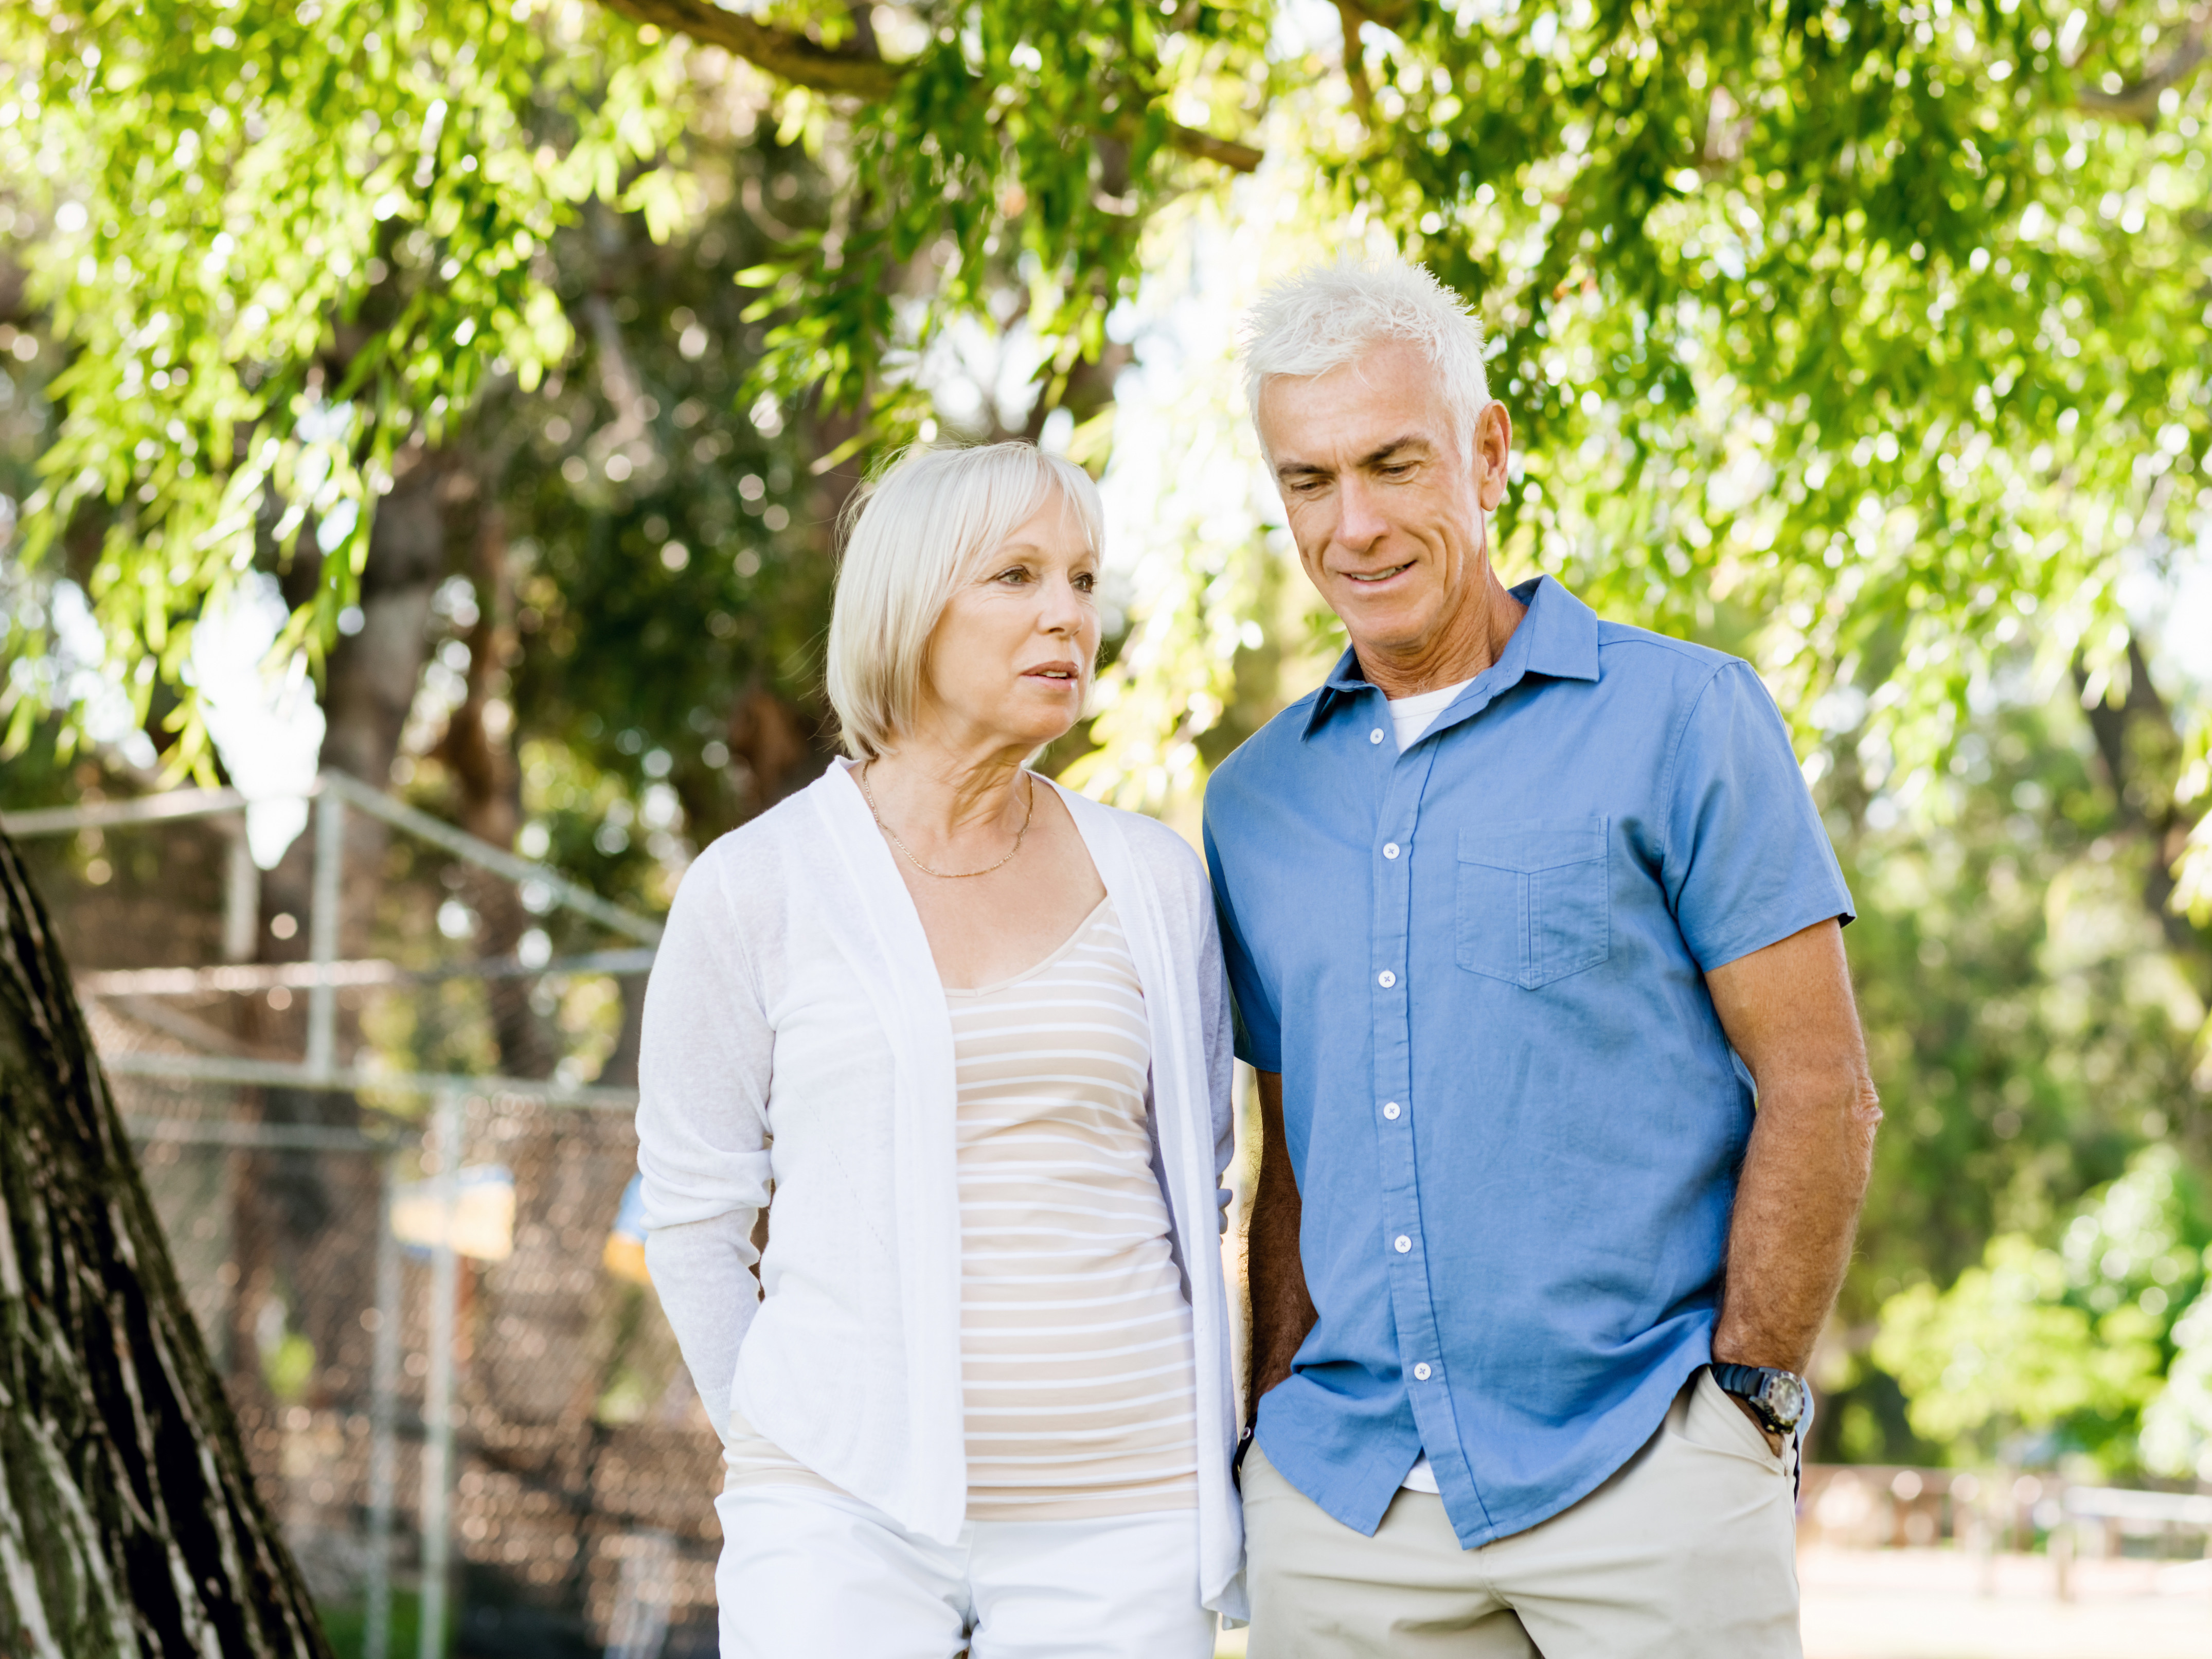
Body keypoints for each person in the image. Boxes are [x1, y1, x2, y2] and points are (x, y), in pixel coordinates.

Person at [1203, 258, 1881, 1656]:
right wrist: (1271, 1421)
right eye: (1309, 481)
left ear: (1489, 452)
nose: (1356, 524)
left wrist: (1747, 1398)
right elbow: (1291, 1154)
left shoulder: (1685, 716)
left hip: (1641, 1473)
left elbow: (1818, 1084)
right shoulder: (1251, 804)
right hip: (1345, 1509)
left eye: (1393, 464)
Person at [635, 441, 1245, 1658]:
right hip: (836, 1515)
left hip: (1124, 1515)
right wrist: (779, 1436)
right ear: (910, 607)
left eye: (1081, 577)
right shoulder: (755, 885)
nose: (1067, 613)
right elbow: (694, 1216)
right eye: (1016, 576)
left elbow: (1200, 1185)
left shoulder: (1157, 880)